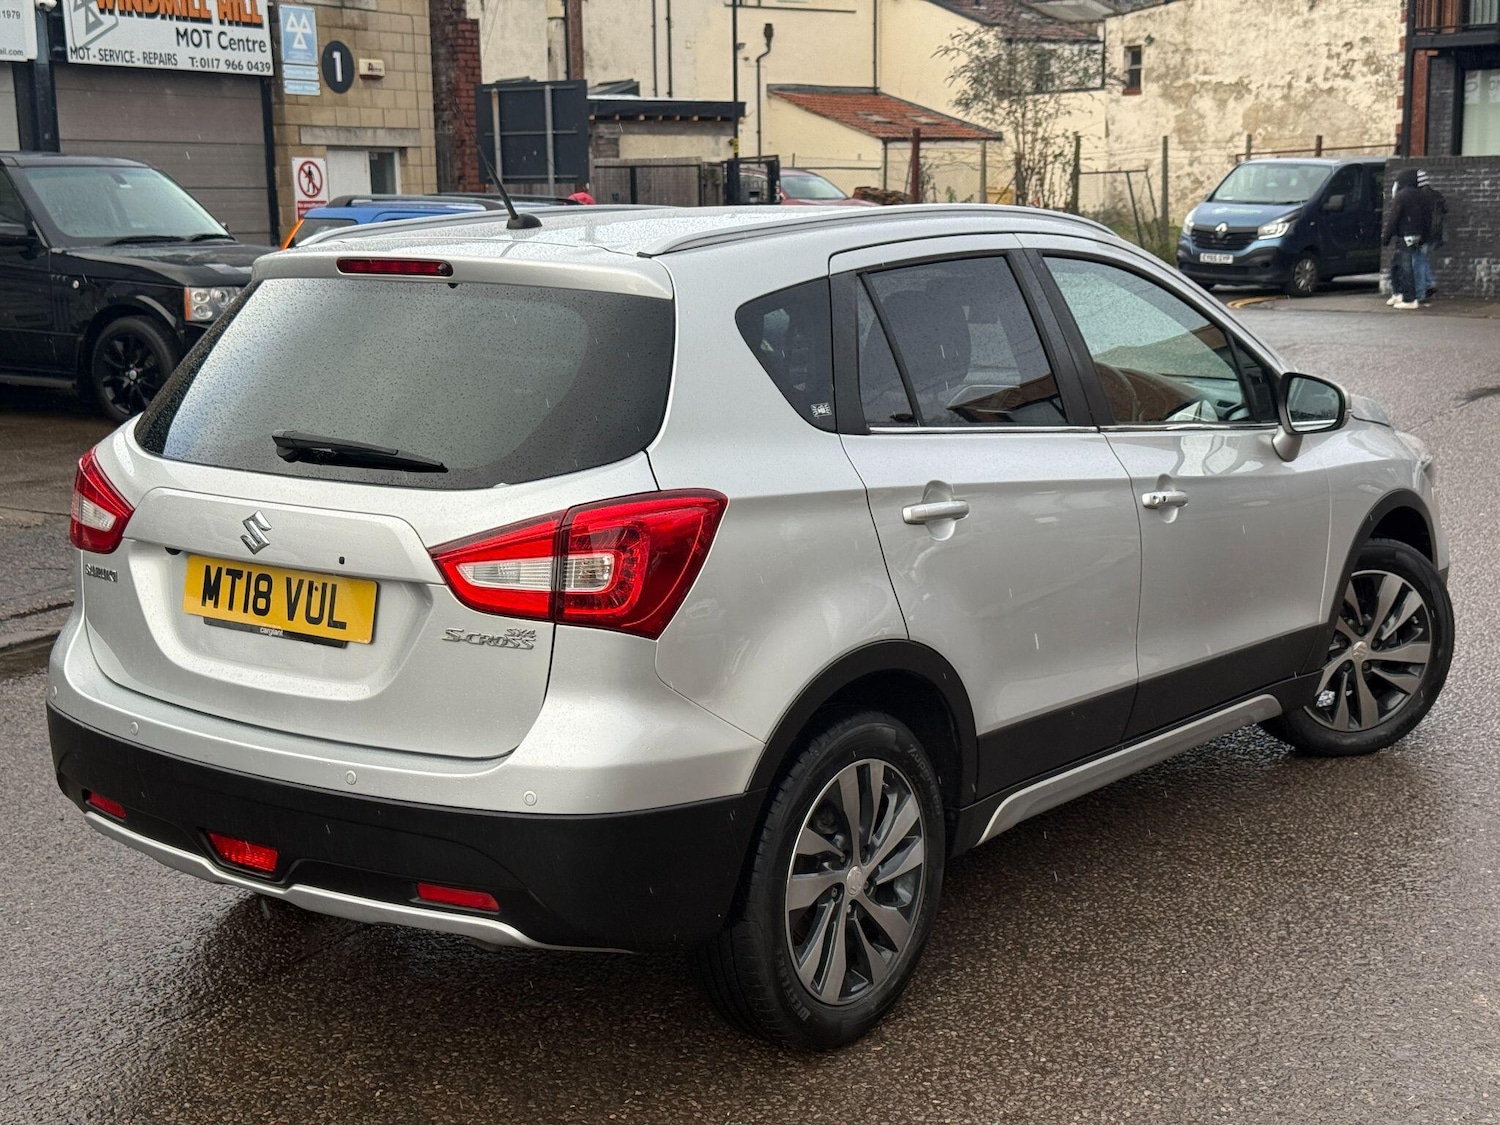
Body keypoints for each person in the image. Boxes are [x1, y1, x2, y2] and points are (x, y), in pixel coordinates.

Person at [1382, 169, 1432, 310]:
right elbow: (1428, 219)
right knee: (1400, 264)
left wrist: (1386, 237)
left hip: (1405, 235)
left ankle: (1409, 298)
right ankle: (1399, 293)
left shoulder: (1402, 196)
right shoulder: (1422, 196)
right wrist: (1424, 237)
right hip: (1418, 235)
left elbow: (1393, 218)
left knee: (1404, 267)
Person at [1412, 169, 1448, 303]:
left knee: (1418, 262)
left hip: (1424, 233)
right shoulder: (1437, 195)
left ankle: (1420, 293)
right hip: (1436, 234)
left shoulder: (1419, 197)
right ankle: (1429, 283)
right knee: (1423, 259)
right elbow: (1445, 210)